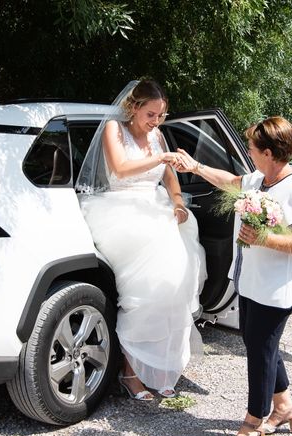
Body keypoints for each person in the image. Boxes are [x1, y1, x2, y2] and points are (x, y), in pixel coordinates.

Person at [174, 116, 292, 436]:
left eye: (253, 148)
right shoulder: (259, 178)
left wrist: (265, 237)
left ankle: (254, 421)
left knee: (259, 349)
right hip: (252, 281)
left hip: (276, 289)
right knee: (259, 343)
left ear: (269, 152)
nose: (250, 153)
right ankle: (284, 408)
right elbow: (230, 181)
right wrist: (195, 167)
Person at [76, 80, 207, 401]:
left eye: (161, 116)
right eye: (151, 114)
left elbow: (170, 176)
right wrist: (161, 159)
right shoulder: (113, 129)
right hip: (122, 213)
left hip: (158, 211)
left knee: (173, 294)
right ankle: (130, 373)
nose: (156, 122)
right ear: (134, 108)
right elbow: (120, 169)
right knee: (142, 297)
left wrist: (177, 202)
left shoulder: (157, 136)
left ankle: (161, 370)